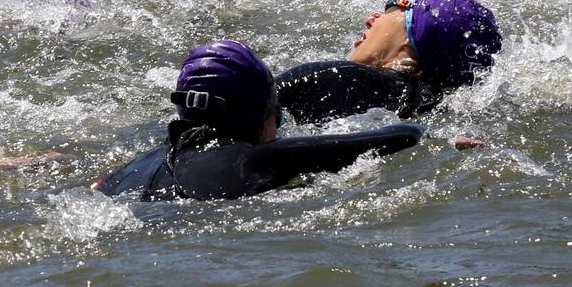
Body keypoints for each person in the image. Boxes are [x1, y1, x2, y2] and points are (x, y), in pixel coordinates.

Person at [96, 40, 423, 201]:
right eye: (276, 114)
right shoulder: (253, 162)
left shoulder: (125, 172)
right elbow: (403, 136)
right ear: (261, 119)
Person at [276, 0, 501, 126]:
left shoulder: (334, 78)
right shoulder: (423, 108)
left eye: (394, 8)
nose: (372, 18)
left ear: (411, 41)